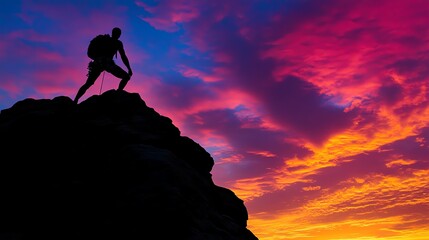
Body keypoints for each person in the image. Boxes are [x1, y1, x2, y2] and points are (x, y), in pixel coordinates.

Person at [74, 27, 133, 104]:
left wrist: (129, 68)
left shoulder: (106, 40)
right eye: (118, 34)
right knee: (126, 76)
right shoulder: (118, 43)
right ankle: (118, 94)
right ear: (118, 34)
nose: (118, 35)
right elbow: (123, 56)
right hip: (107, 63)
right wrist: (129, 68)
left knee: (88, 83)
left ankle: (75, 100)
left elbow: (123, 56)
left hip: (98, 63)